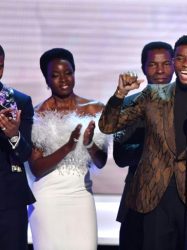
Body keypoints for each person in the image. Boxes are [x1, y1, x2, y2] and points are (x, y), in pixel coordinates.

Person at [99, 35, 187, 250]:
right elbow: (108, 126)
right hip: (155, 199)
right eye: (180, 58)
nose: (186, 65)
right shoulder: (154, 95)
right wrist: (120, 94)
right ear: (174, 62)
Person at [28, 48, 109, 250]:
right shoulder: (38, 114)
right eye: (55, 75)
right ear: (46, 80)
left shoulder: (95, 108)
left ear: (74, 72)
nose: (63, 79)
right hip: (47, 199)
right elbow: (36, 168)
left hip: (81, 195)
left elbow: (101, 162)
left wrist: (89, 144)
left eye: (68, 72)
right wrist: (67, 147)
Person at [114, 41, 174, 250]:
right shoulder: (130, 104)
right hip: (138, 204)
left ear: (174, 65)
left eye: (166, 64)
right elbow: (120, 156)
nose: (160, 71)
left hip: (179, 205)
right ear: (143, 68)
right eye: (153, 65)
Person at [0, 45, 35, 250]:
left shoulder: (19, 101)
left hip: (9, 200)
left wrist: (14, 136)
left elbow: (26, 153)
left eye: (0, 66)